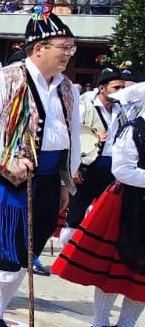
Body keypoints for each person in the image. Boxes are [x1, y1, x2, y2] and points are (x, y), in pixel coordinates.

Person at [0, 11, 82, 327]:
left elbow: (70, 136)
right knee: (4, 251)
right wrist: (7, 158)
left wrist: (65, 182)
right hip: (9, 179)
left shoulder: (67, 88)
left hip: (47, 179)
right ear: (38, 48)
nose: (68, 54)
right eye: (63, 47)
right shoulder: (5, 79)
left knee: (25, 254)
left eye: (71, 48)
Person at [53, 81, 145, 327]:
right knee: (114, 268)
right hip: (128, 204)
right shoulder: (136, 130)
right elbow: (122, 170)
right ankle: (100, 324)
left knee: (142, 273)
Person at [60, 66, 132, 248]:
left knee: (105, 211)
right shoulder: (85, 107)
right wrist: (73, 168)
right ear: (102, 88)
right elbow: (72, 136)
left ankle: (90, 250)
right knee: (77, 209)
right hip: (88, 167)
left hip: (112, 169)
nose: (120, 92)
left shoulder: (121, 111)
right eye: (116, 88)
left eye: (122, 88)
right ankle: (66, 251)